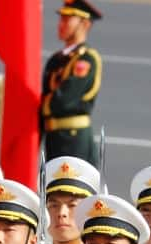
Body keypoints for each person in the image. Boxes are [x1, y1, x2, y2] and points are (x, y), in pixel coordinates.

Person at [40, 0, 102, 165]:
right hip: (53, 137)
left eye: (68, 19)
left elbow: (64, 100)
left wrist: (39, 105)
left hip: (74, 139)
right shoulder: (56, 60)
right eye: (61, 19)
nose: (61, 24)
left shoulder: (86, 59)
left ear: (85, 23)